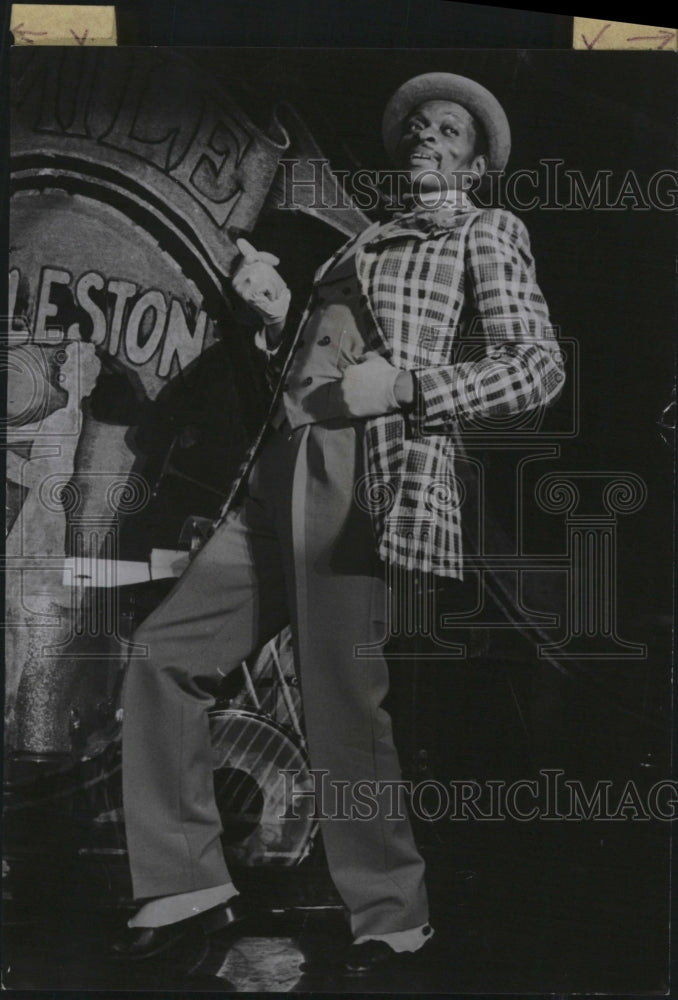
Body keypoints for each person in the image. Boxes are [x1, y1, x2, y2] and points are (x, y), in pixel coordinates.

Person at [113, 72, 565, 975]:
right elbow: (322, 358)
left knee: (337, 696)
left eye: (447, 131)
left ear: (475, 161)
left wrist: (408, 388)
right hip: (277, 467)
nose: (425, 139)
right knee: (164, 654)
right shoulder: (364, 244)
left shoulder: (484, 231)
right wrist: (278, 315)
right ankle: (186, 884)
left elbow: (536, 368)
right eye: (418, 129)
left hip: (359, 475)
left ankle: (393, 916)